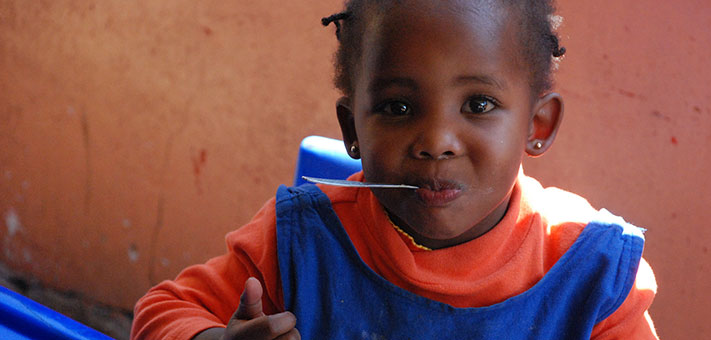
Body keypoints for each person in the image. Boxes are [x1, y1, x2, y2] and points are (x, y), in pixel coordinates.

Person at [131, 0, 658, 338]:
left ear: (537, 123)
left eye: (477, 105)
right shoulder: (301, 240)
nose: (435, 143)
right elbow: (160, 312)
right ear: (352, 129)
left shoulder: (593, 273)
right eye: (398, 108)